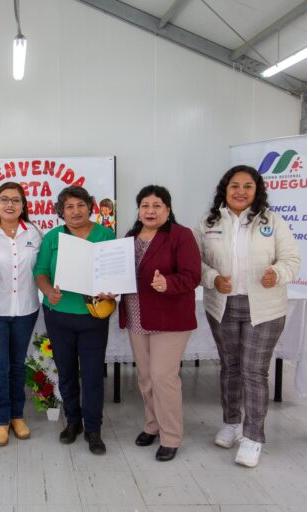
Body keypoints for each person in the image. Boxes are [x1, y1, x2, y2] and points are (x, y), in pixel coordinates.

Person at [194, 165, 301, 468]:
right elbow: (196, 262)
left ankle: (253, 437)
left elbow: (291, 259)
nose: (241, 192)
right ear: (224, 189)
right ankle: (231, 423)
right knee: (230, 368)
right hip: (222, 306)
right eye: (234, 186)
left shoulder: (273, 222)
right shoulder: (208, 222)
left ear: (257, 190)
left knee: (254, 372)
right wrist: (213, 278)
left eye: (248, 186)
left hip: (264, 308)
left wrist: (277, 274)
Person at [119, 185, 201, 462]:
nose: (150, 211)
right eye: (145, 205)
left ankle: (171, 437)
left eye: (157, 205)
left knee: (163, 377)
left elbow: (193, 276)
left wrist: (169, 282)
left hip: (170, 318)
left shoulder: (181, 235)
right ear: (139, 210)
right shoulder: (129, 237)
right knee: (145, 377)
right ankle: (152, 425)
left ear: (168, 209)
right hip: (136, 315)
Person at [34, 185, 116, 455]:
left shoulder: (105, 234)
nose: (75, 211)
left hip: (93, 316)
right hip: (58, 315)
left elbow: (114, 271)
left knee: (92, 375)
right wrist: (47, 291)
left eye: (80, 205)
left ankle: (93, 428)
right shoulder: (53, 237)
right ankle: (73, 422)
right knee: (67, 372)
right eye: (69, 206)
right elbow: (41, 271)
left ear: (90, 206)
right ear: (61, 211)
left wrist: (111, 286)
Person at [0, 182, 42, 446]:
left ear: (23, 205)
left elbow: (43, 266)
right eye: (4, 199)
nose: (10, 204)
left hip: (26, 309)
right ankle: (1, 420)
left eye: (16, 200)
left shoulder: (35, 232)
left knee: (18, 365)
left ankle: (17, 416)